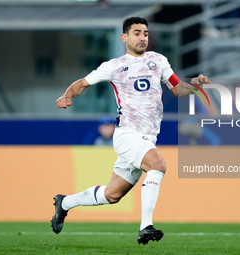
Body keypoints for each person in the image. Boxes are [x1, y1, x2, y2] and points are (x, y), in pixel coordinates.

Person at [52, 16, 211, 245]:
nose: (142, 37)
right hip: (128, 134)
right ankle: (146, 226)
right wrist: (67, 95)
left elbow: (178, 89)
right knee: (158, 165)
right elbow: (82, 83)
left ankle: (64, 203)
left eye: (145, 33)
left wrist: (195, 86)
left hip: (148, 137)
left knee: (112, 195)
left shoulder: (159, 61)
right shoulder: (114, 66)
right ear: (125, 37)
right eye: (137, 33)